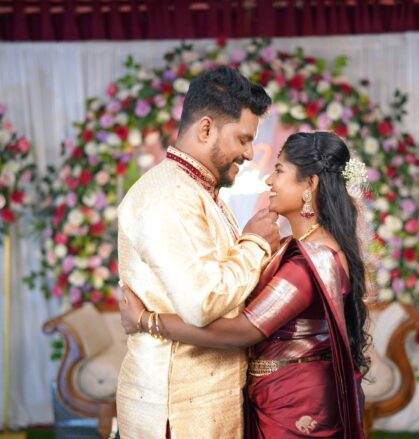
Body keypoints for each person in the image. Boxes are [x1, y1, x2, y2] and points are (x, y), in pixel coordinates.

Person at [120, 131, 370, 438]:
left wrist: (146, 321)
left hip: (296, 403)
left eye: (279, 170)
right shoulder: (296, 247)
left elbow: (242, 332)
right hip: (278, 394)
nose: (269, 180)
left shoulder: (312, 260)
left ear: (309, 184)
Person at [116, 65, 280, 439]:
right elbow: (202, 302)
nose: (249, 153)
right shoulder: (168, 196)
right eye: (243, 139)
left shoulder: (198, 190)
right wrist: (255, 244)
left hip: (204, 405)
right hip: (177, 412)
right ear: (205, 129)